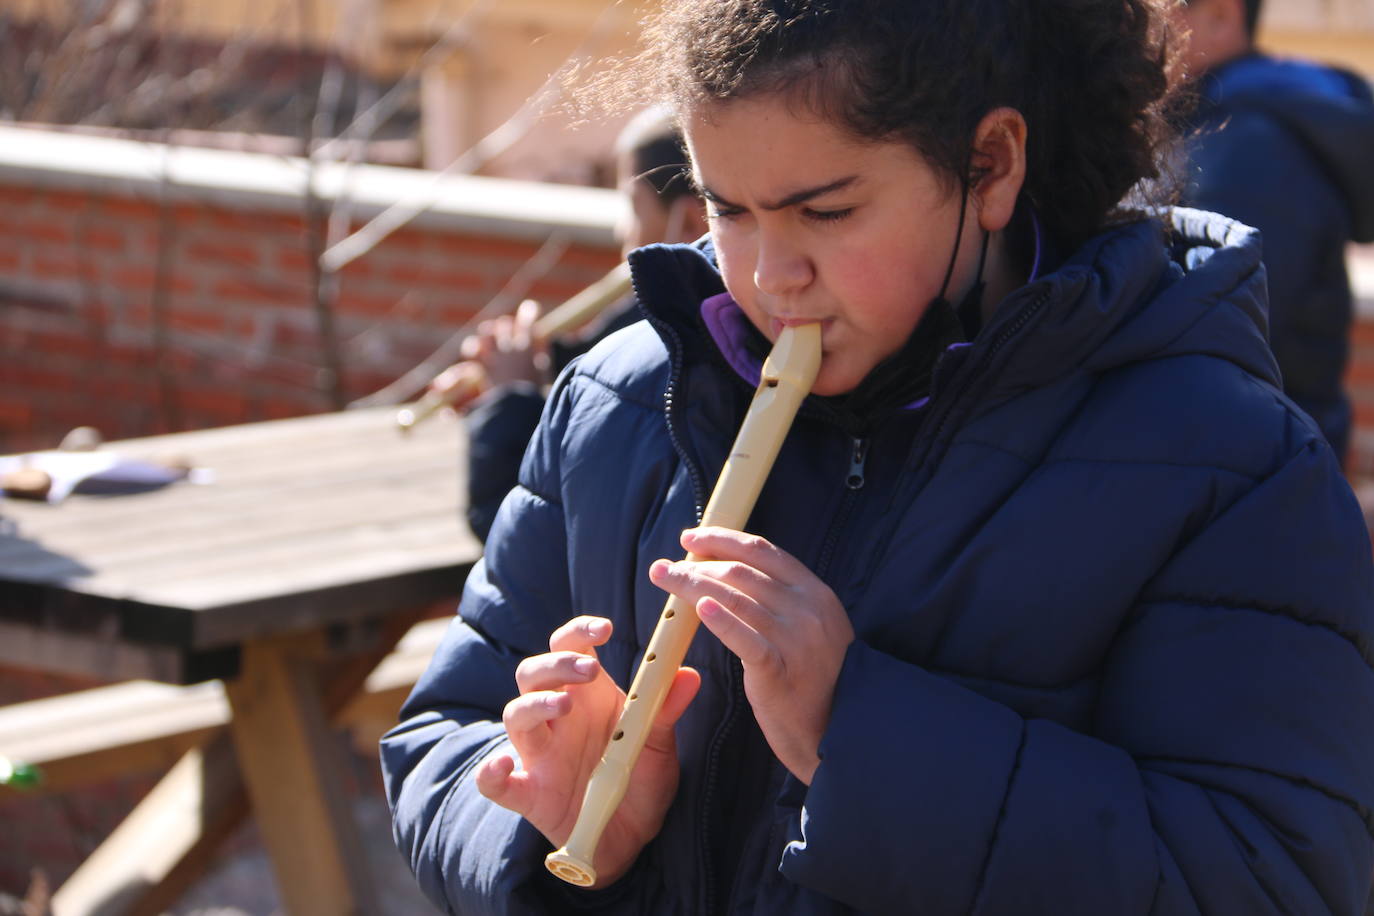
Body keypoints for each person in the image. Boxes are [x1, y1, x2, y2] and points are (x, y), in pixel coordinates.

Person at [382, 1, 1374, 913]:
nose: (772, 277)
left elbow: (1277, 878)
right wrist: (550, 821)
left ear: (989, 166)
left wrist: (857, 736)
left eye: (825, 211)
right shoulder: (622, 399)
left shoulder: (1223, 462)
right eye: (728, 209)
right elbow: (443, 730)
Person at [450, 108, 706, 541]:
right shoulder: (650, 329)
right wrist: (535, 365)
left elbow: (521, 536)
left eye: (631, 206)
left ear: (691, 222)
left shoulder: (676, 369)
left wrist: (509, 405)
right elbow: (596, 353)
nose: (619, 231)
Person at [1173, 0, 1374, 466]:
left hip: (1255, 472)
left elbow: (1218, 333)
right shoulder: (1224, 123)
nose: (1131, 31)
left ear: (1221, 16)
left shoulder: (1248, 145)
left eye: (1152, 10)